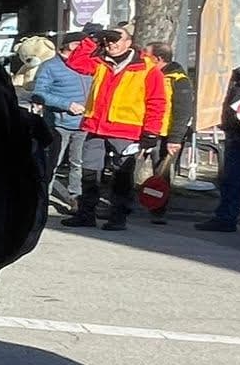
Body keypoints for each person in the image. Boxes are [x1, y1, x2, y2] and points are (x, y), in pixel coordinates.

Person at [64, 24, 166, 231]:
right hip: (96, 127)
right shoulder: (100, 61)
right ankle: (86, 214)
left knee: (122, 175)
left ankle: (118, 217)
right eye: (108, 40)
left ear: (129, 43)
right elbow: (75, 62)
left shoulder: (147, 68)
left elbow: (156, 101)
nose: (111, 44)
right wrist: (92, 39)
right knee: (89, 172)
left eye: (116, 40)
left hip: (126, 129)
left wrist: (151, 132)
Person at [26, 32, 88, 212]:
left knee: (78, 164)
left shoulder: (88, 65)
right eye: (81, 45)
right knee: (52, 163)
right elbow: (39, 93)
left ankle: (75, 198)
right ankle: (42, 199)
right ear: (71, 45)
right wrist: (67, 104)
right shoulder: (50, 66)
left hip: (84, 123)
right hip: (59, 124)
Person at [144, 42, 192, 223]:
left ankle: (158, 209)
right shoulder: (149, 75)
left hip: (165, 134)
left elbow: (183, 111)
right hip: (146, 129)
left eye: (146, 55)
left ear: (158, 58)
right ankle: (131, 203)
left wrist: (175, 138)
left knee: (161, 173)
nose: (143, 58)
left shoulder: (178, 80)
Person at [197, 63, 240, 233]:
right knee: (230, 181)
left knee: (232, 180)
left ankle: (226, 218)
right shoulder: (238, 77)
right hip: (236, 135)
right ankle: (225, 218)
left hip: (237, 136)